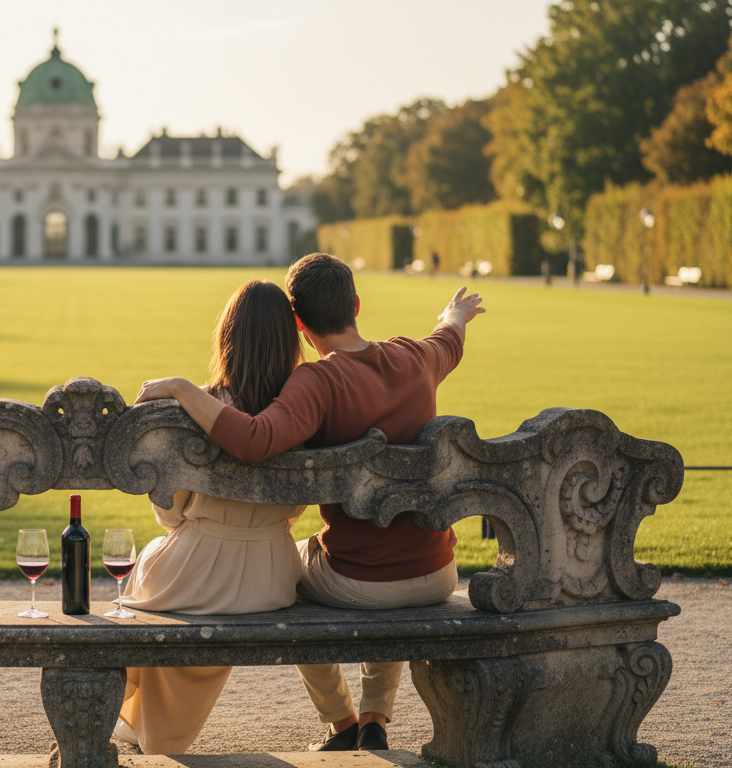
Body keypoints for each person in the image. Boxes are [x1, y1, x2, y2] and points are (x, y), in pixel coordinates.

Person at [134, 253, 485, 753]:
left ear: (298, 325)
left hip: (358, 583)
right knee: (384, 549)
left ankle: (342, 721)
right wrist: (454, 315)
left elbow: (255, 440)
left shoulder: (316, 383)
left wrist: (181, 388)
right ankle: (375, 716)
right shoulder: (415, 357)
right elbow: (449, 341)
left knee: (284, 573)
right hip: (437, 573)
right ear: (357, 304)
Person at [114, 279, 307, 756]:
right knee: (184, 585)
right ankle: (143, 729)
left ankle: (138, 727)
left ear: (227, 337)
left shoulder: (196, 406)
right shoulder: (304, 411)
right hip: (273, 580)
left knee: (159, 574)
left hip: (196, 572)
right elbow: (299, 507)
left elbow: (168, 513)